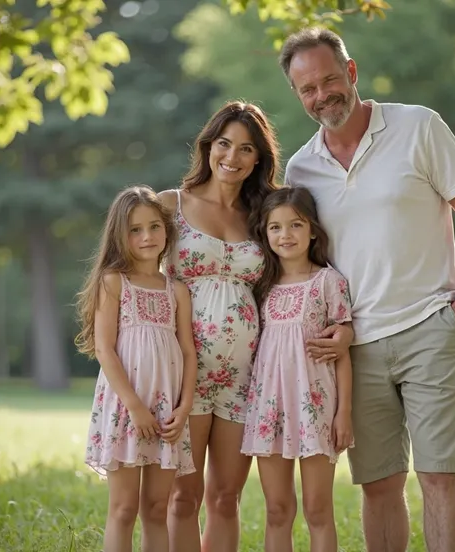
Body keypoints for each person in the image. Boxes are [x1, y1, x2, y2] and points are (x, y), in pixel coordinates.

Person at [279, 27, 455, 552]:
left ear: (350, 73)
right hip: (355, 348)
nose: (321, 95)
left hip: (432, 327)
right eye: (307, 89)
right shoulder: (300, 169)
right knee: (378, 485)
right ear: (297, 95)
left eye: (329, 80)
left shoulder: (418, 126)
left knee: (439, 476)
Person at [158, 101, 280, 552]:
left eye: (246, 149)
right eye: (224, 143)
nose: (232, 156)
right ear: (209, 146)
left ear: (258, 159)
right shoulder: (171, 206)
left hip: (245, 375)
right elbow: (132, 278)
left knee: (227, 497)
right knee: (182, 497)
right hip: (183, 373)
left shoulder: (265, 214)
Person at [75, 185, 198, 552]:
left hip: (166, 414)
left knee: (157, 508)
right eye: (135, 229)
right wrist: (134, 406)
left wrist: (185, 407)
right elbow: (104, 349)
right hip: (126, 409)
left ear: (166, 230)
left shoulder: (176, 291)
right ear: (120, 235)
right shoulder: (114, 284)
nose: (147, 236)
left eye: (154, 226)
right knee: (124, 508)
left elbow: (189, 353)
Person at [241, 187, 354, 552]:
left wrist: (343, 415)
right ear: (265, 233)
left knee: (318, 510)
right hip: (267, 410)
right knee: (277, 510)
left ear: (313, 231)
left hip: (316, 409)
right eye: (275, 227)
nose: (285, 235)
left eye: (295, 225)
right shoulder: (260, 286)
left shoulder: (329, 282)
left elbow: (341, 353)